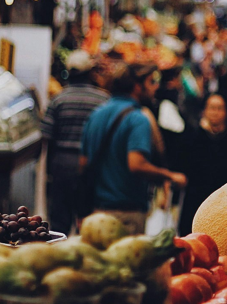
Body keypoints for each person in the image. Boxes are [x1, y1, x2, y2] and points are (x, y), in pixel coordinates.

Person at [80, 63, 187, 234]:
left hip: (97, 213)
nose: (156, 87)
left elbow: (83, 163)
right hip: (126, 215)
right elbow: (137, 164)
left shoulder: (96, 114)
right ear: (137, 86)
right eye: (151, 82)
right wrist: (169, 176)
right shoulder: (138, 119)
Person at [41, 50, 110, 234]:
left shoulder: (58, 99)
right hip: (93, 167)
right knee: (89, 222)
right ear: (89, 73)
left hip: (62, 165)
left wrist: (48, 172)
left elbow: (47, 137)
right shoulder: (102, 99)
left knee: (59, 222)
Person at [179, 95, 227, 235]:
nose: (215, 112)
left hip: (224, 203)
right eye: (211, 108)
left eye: (219, 108)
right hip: (195, 201)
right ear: (204, 111)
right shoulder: (193, 135)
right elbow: (182, 165)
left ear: (226, 112)